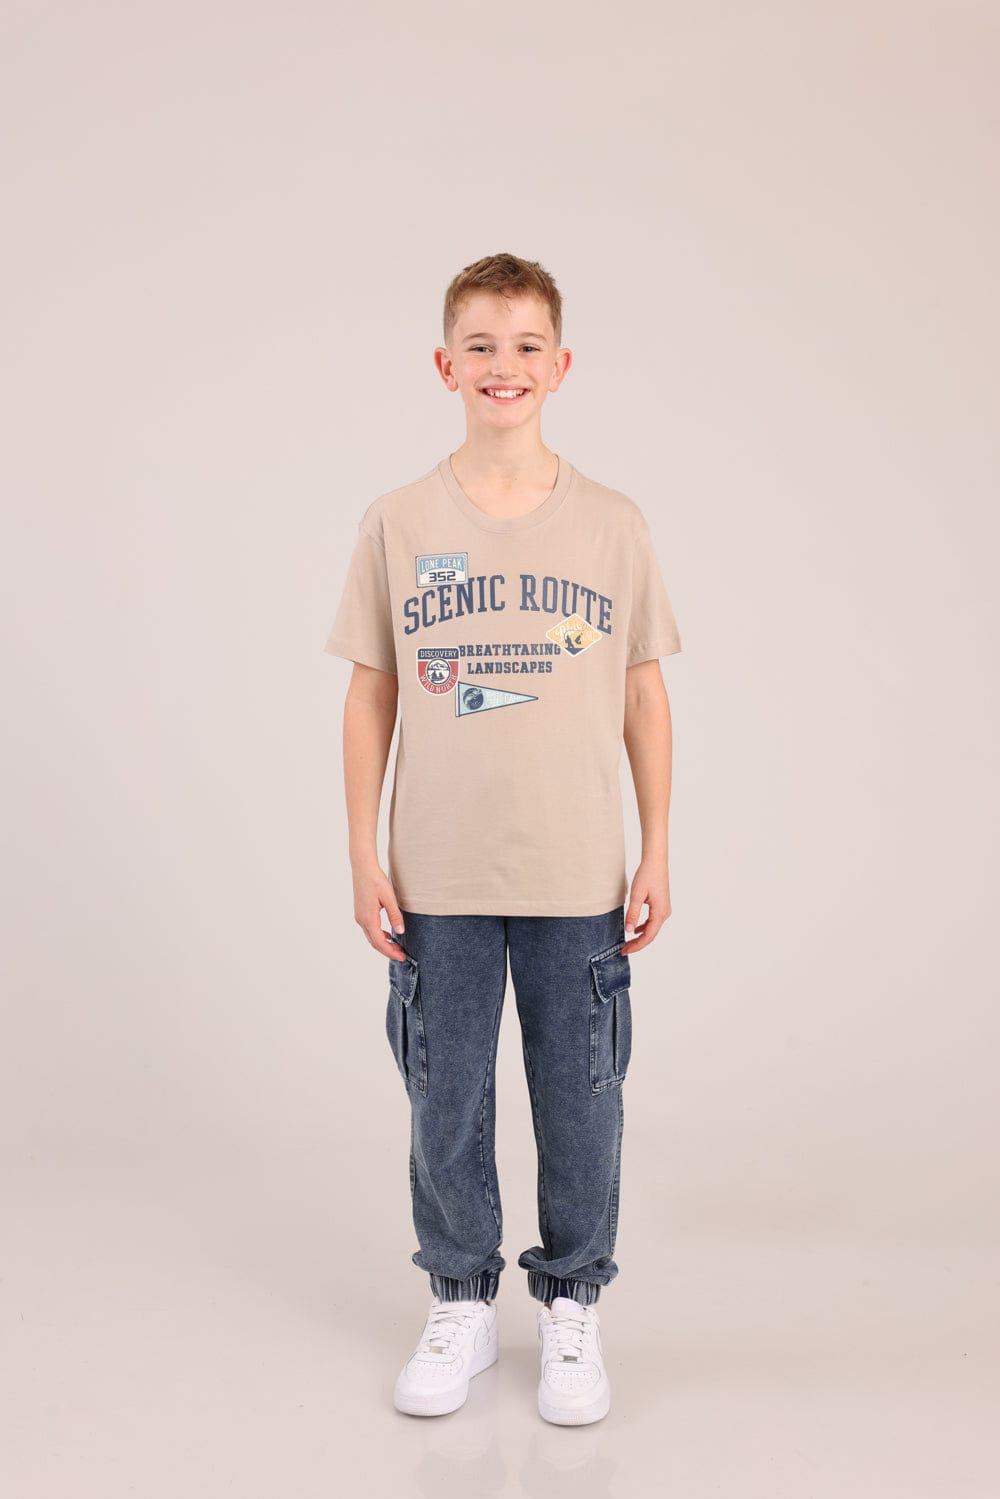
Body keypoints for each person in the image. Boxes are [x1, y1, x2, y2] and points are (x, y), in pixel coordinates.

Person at [323, 252, 682, 1425]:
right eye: (479, 344)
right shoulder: (398, 520)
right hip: (439, 870)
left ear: (560, 365)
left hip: (577, 868)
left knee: (582, 1100)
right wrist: (364, 852)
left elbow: (642, 694)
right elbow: (371, 691)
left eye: (526, 345)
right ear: (445, 365)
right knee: (446, 1098)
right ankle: (461, 1298)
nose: (503, 365)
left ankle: (572, 1303)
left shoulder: (612, 523)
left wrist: (656, 845)